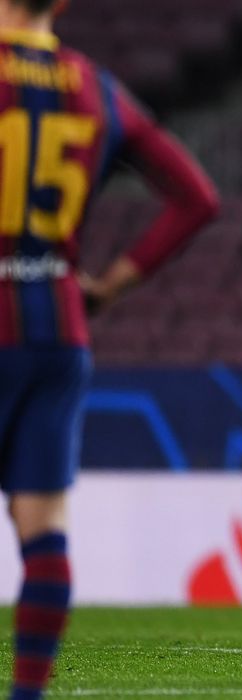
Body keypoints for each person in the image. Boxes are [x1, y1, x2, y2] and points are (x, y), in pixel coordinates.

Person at [0, 1, 220, 697]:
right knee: (44, 537)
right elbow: (196, 198)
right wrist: (109, 287)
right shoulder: (94, 86)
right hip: (58, 327)